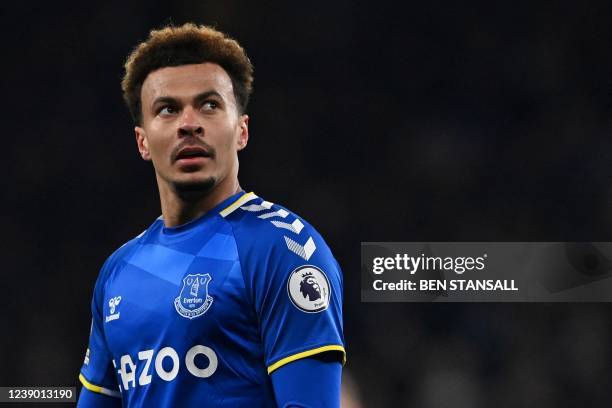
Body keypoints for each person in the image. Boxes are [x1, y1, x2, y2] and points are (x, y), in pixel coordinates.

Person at [77, 23, 345, 407]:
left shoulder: (284, 248)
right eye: (167, 109)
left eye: (209, 104)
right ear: (142, 142)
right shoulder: (118, 270)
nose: (189, 123)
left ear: (241, 131)